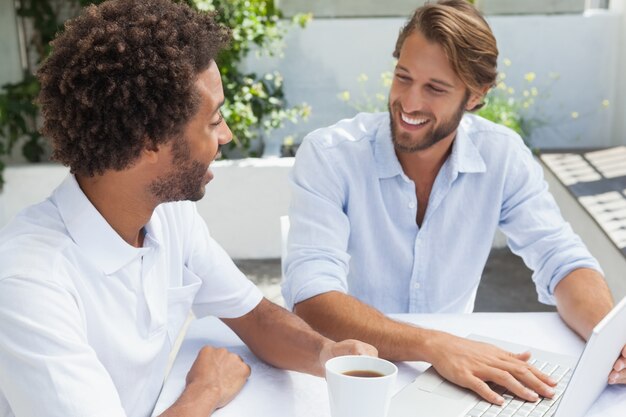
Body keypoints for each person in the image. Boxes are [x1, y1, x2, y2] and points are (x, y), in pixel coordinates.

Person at [0, 1, 377, 416]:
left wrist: (329, 353)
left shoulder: (166, 213)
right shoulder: (28, 285)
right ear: (149, 140)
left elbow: (254, 317)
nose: (228, 134)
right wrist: (205, 390)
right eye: (214, 121)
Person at [282, 0, 626, 406]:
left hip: (452, 376)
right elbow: (312, 298)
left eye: (435, 88)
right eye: (403, 77)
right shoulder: (330, 155)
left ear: (476, 95)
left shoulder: (502, 155)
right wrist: (435, 345)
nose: (409, 103)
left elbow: (562, 260)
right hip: (352, 376)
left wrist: (610, 340)